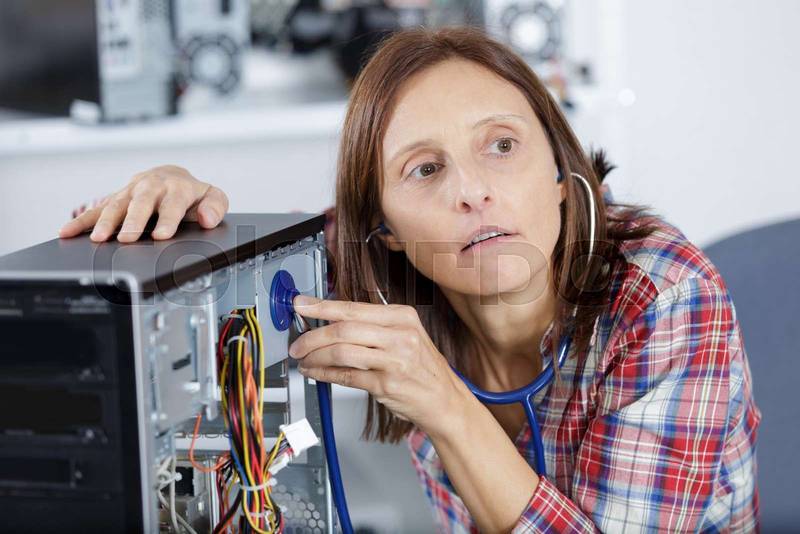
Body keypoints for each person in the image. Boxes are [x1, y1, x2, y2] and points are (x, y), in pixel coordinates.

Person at [58, 26, 760, 533]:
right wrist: (179, 195)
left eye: (502, 145)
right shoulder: (378, 265)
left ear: (558, 171)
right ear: (385, 227)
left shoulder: (663, 293)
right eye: (425, 169)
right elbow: (244, 272)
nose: (472, 192)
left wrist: (443, 401)